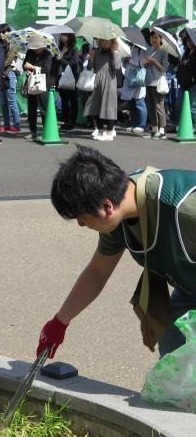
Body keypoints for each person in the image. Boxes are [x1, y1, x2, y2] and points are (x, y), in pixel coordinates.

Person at [38, 146, 196, 362]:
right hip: (189, 289)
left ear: (107, 207)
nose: (81, 225)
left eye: (82, 219)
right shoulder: (119, 216)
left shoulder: (183, 209)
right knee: (173, 349)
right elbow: (97, 271)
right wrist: (60, 322)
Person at [86, 38, 121, 141]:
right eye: (103, 40)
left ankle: (109, 132)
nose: (105, 42)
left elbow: (117, 67)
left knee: (109, 106)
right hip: (97, 82)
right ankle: (101, 129)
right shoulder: (96, 53)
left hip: (109, 81)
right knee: (94, 106)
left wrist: (115, 52)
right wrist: (91, 58)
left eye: (108, 41)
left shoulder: (114, 53)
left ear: (112, 42)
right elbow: (90, 68)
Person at [23, 44, 58, 140]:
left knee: (44, 109)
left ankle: (47, 131)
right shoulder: (30, 52)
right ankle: (33, 132)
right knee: (31, 109)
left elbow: (46, 69)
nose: (35, 50)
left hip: (43, 84)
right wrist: (28, 69)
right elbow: (24, 65)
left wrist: (33, 67)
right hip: (32, 83)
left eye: (37, 48)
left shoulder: (47, 54)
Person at [143, 28, 170, 140]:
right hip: (148, 81)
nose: (154, 40)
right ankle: (154, 129)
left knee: (159, 106)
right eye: (152, 37)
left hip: (157, 82)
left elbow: (164, 68)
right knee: (150, 106)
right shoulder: (149, 50)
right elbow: (145, 66)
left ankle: (162, 130)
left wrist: (154, 61)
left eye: (156, 38)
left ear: (160, 39)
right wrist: (145, 63)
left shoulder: (163, 51)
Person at [0, 23, 21, 133]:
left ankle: (16, 125)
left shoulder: (13, 44)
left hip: (9, 74)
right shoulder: (0, 45)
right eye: (0, 32)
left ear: (9, 32)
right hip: (1, 75)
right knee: (3, 102)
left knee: (12, 101)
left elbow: (8, 60)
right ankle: (6, 125)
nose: (1, 34)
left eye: (4, 32)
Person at [57, 33, 80, 131]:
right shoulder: (59, 48)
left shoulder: (74, 49)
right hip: (61, 77)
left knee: (73, 100)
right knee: (64, 101)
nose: (63, 37)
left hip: (71, 78)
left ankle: (72, 122)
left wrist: (61, 59)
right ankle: (65, 122)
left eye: (65, 35)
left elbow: (74, 64)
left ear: (70, 36)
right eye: (62, 35)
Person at [121, 45, 147, 133]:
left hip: (138, 78)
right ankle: (134, 124)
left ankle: (142, 125)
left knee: (139, 102)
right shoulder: (132, 49)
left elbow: (141, 63)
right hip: (130, 78)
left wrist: (129, 60)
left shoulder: (144, 50)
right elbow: (125, 65)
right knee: (131, 102)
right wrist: (125, 60)